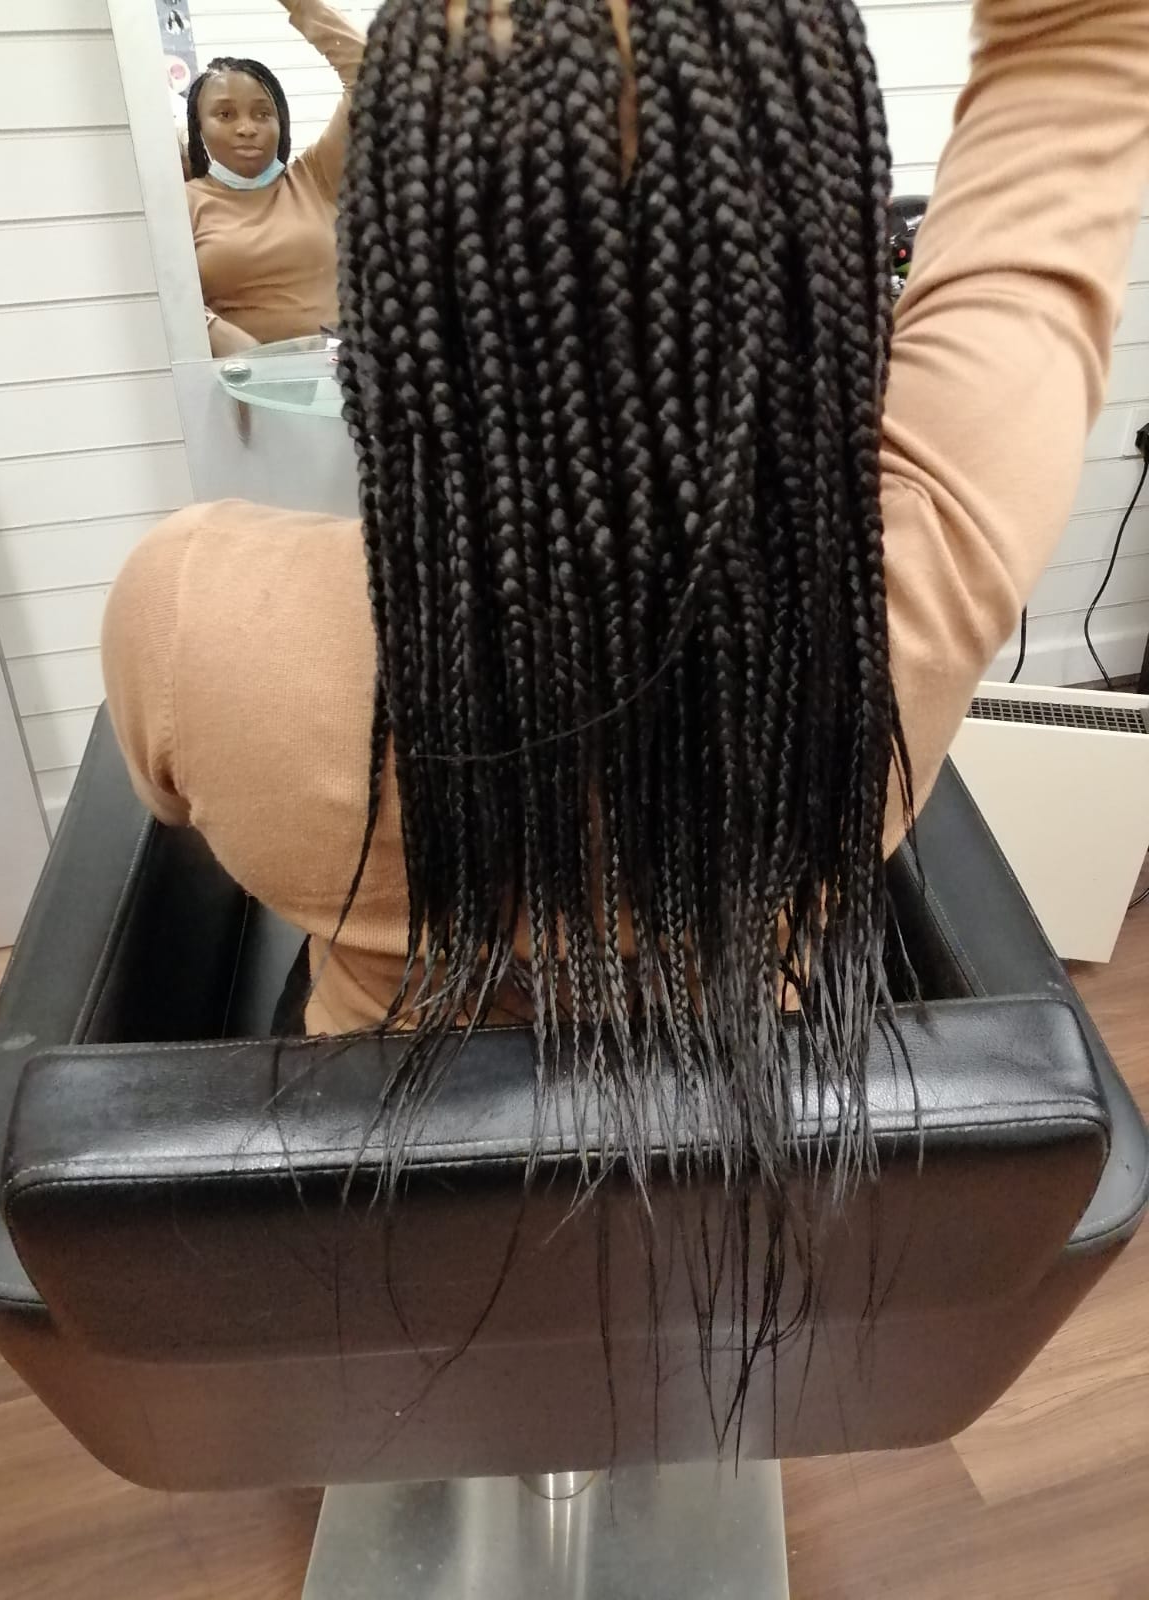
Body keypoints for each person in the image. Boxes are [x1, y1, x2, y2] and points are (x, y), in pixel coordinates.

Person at [104, 0, 1149, 1204]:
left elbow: (170, 808)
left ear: (389, 263)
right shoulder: (923, 560)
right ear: (824, 253)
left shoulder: (189, 610)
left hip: (387, 1200)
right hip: (753, 1178)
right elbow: (1084, 44)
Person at [184, 0, 365, 356]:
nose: (247, 128)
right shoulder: (184, 202)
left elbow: (370, 74)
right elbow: (163, 291)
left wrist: (301, 5)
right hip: (244, 380)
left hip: (340, 371)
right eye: (225, 114)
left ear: (281, 122)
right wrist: (210, 327)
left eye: (262, 113)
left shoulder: (315, 177)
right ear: (199, 128)